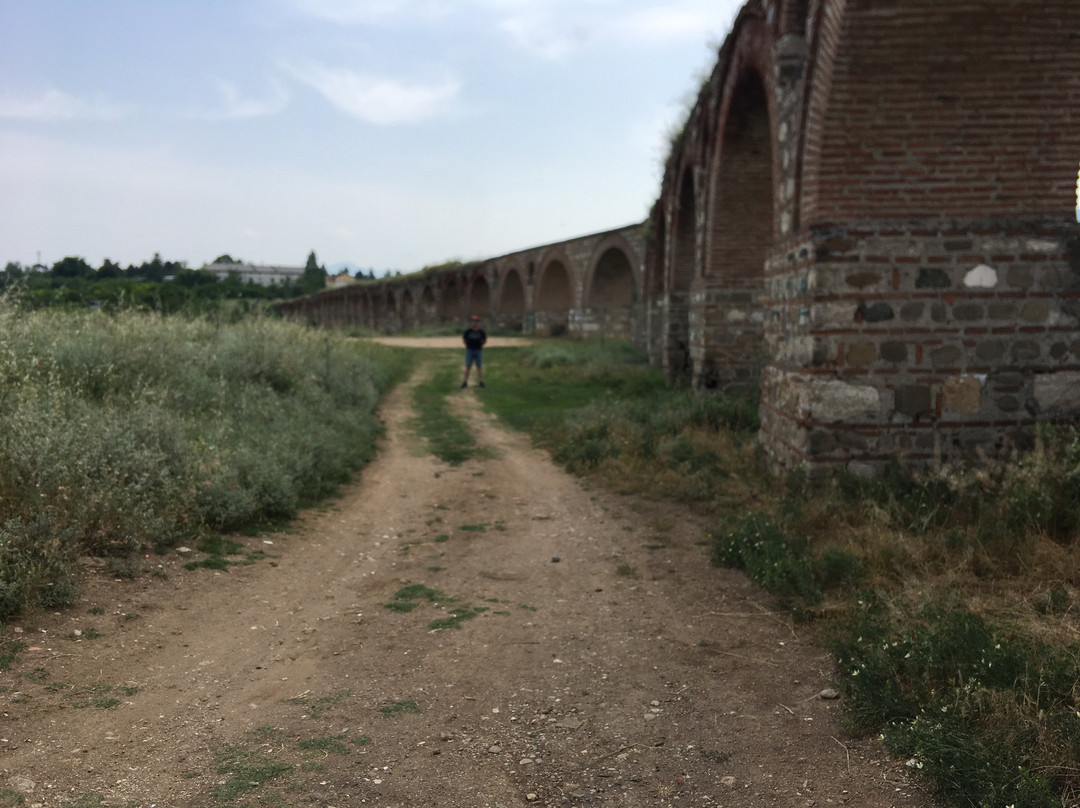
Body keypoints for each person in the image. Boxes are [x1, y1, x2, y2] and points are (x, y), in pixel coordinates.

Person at [461, 314, 487, 388]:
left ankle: (481, 382)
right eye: (473, 321)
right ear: (471, 322)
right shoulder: (468, 331)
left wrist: (479, 345)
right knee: (468, 367)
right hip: (470, 351)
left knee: (479, 367)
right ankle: (465, 382)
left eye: (476, 321)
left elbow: (484, 340)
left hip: (478, 351)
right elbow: (464, 340)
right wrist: (469, 346)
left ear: (478, 323)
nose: (474, 323)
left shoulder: (481, 332)